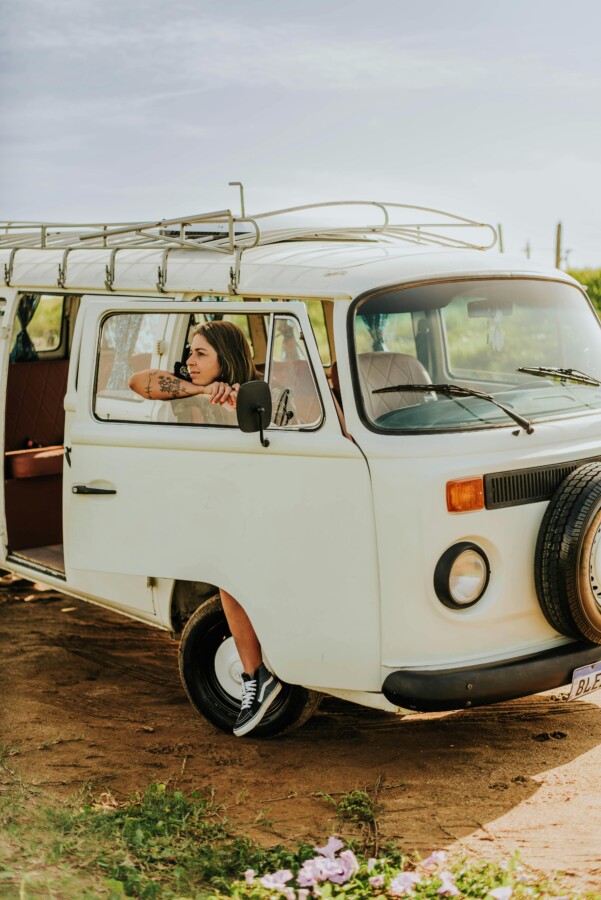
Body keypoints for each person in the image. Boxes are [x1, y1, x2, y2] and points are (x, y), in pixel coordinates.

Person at [128, 320, 282, 736]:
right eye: (190, 352)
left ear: (225, 358)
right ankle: (255, 675)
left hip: (271, 503)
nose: (189, 361)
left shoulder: (260, 390)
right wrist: (201, 391)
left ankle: (272, 669)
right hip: (221, 506)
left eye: (200, 354)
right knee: (226, 575)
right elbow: (137, 382)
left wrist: (239, 400)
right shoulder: (189, 387)